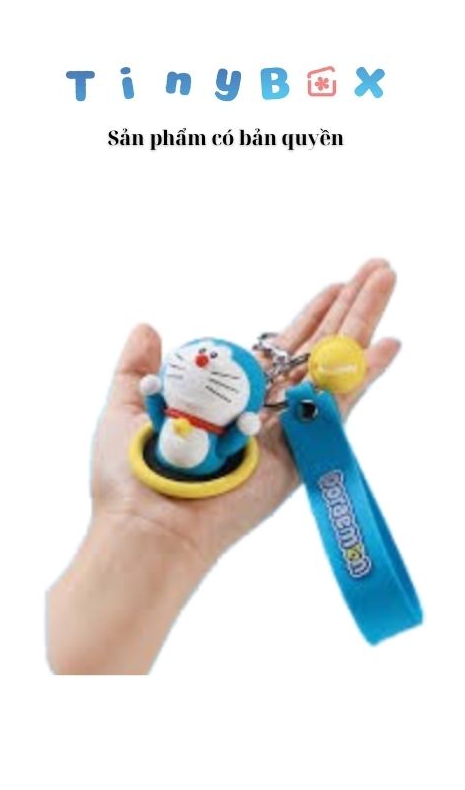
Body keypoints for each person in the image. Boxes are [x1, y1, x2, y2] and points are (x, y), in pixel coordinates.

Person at [46, 259, 400, 674]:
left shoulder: (234, 422)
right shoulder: (169, 411)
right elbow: (160, 411)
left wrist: (243, 429)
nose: (200, 363)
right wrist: (136, 524)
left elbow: (231, 437)